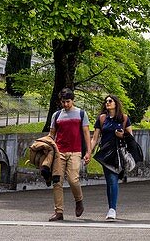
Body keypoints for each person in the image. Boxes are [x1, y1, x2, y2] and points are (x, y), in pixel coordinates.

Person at [48, 88, 91, 221]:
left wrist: (88, 152)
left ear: (73, 100)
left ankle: (79, 200)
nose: (65, 104)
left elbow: (86, 133)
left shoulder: (81, 114)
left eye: (68, 101)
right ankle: (59, 211)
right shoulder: (56, 115)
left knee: (73, 179)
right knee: (57, 182)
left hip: (75, 151)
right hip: (59, 152)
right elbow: (52, 134)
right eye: (63, 102)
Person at [91, 94, 134, 221]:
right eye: (106, 101)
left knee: (112, 179)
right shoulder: (102, 119)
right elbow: (95, 138)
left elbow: (131, 138)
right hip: (106, 154)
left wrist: (122, 136)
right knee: (110, 181)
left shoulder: (124, 118)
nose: (107, 103)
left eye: (110, 101)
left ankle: (112, 209)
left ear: (116, 103)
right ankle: (111, 208)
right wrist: (89, 152)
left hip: (118, 153)